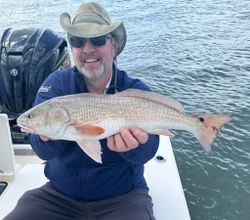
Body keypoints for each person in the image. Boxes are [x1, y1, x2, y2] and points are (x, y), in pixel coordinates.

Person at [4, 2, 159, 220]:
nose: (87, 49)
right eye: (77, 41)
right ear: (72, 47)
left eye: (97, 40)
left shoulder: (135, 90)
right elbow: (41, 151)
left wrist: (133, 148)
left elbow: (150, 149)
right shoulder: (55, 85)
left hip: (122, 198)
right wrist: (50, 136)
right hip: (58, 196)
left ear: (113, 46)